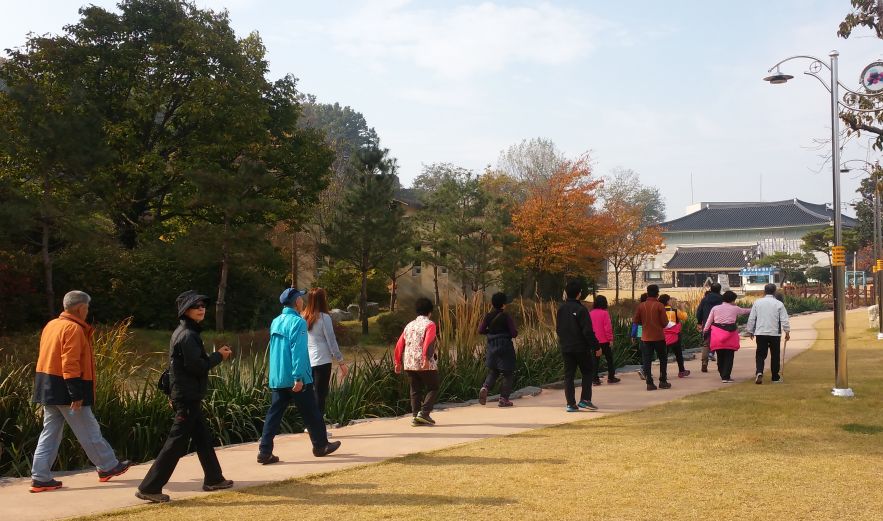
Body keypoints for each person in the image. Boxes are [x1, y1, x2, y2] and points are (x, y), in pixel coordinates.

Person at [137, 291, 234, 503]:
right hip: (187, 397)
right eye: (196, 305)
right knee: (175, 443)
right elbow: (197, 367)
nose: (201, 308)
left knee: (202, 437)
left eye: (203, 305)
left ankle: (214, 478)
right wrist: (219, 356)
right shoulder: (188, 335)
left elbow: (179, 367)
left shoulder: (186, 332)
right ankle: (149, 487)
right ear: (185, 310)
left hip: (188, 395)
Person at [30, 291, 131, 493]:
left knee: (50, 433)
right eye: (87, 308)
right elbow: (70, 362)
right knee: (89, 429)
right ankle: (108, 466)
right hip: (67, 389)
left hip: (48, 386)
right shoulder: (73, 328)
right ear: (80, 308)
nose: (87, 311)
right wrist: (75, 393)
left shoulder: (52, 325)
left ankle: (40, 477)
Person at [256, 288, 341, 466]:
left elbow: (275, 351)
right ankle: (321, 446)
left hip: (279, 377)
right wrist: (298, 377)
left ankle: (264, 451)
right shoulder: (298, 322)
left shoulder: (275, 321)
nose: (303, 301)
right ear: (296, 302)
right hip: (296, 378)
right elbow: (299, 352)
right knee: (312, 412)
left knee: (274, 414)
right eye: (300, 298)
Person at [394, 297, 441, 425]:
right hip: (422, 361)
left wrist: (397, 362)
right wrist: (426, 358)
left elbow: (399, 344)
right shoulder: (430, 324)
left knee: (415, 390)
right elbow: (429, 342)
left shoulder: (409, 325)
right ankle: (424, 413)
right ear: (430, 312)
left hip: (409, 362)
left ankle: (416, 417)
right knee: (434, 387)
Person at [304, 288, 348, 417]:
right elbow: (331, 340)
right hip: (322, 360)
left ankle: (311, 424)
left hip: (308, 360)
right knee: (320, 395)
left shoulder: (304, 316)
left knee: (311, 395)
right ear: (322, 300)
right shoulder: (324, 317)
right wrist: (341, 362)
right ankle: (318, 425)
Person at [555, 281, 599, 412]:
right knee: (587, 371)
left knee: (569, 375)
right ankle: (585, 400)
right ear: (579, 294)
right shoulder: (581, 309)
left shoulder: (561, 309)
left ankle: (570, 404)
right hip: (581, 347)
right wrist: (596, 346)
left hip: (566, 347)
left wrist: (563, 341)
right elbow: (587, 331)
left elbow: (558, 329)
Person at [478, 292, 519, 407]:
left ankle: (485, 387)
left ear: (492, 304)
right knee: (508, 373)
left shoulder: (488, 316)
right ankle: (503, 399)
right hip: (505, 347)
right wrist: (512, 332)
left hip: (492, 347)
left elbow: (480, 330)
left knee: (494, 371)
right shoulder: (506, 316)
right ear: (504, 304)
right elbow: (513, 333)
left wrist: (490, 332)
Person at [746, 283, 790, 384]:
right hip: (774, 333)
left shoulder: (757, 302)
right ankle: (775, 377)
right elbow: (784, 319)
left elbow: (752, 318)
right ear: (774, 292)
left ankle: (759, 371)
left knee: (760, 354)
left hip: (760, 332)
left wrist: (750, 331)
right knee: (775, 355)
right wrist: (787, 331)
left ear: (764, 291)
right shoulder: (779, 304)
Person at [703, 290, 751, 383]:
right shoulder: (735, 308)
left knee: (720, 355)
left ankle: (722, 374)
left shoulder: (715, 308)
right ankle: (726, 376)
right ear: (732, 300)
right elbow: (745, 311)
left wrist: (705, 331)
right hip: (731, 334)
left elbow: (709, 320)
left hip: (717, 334)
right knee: (729, 356)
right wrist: (756, 308)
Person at [633, 284, 672, 391]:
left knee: (647, 360)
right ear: (657, 293)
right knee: (663, 359)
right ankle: (662, 381)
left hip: (645, 337)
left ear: (647, 293)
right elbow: (665, 323)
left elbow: (636, 321)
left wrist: (641, 328)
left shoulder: (641, 306)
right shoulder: (659, 305)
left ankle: (649, 382)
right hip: (659, 336)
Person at [589, 295, 620, 385]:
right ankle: (611, 377)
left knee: (595, 360)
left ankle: (595, 379)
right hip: (604, 341)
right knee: (609, 359)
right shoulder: (605, 313)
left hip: (594, 341)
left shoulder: (590, 313)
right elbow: (608, 328)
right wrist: (610, 339)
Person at [659, 294, 690, 378]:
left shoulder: (658, 311)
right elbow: (685, 317)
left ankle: (663, 374)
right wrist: (682, 308)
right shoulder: (675, 311)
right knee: (678, 354)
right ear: (667, 301)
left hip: (662, 335)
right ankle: (681, 371)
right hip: (675, 335)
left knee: (663, 356)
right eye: (669, 300)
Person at [695, 283, 723, 372]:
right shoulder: (722, 299)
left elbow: (699, 312)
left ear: (710, 289)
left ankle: (704, 363)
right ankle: (721, 365)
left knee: (706, 344)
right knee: (720, 344)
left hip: (707, 324)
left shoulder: (705, 299)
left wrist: (699, 322)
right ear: (720, 289)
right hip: (720, 325)